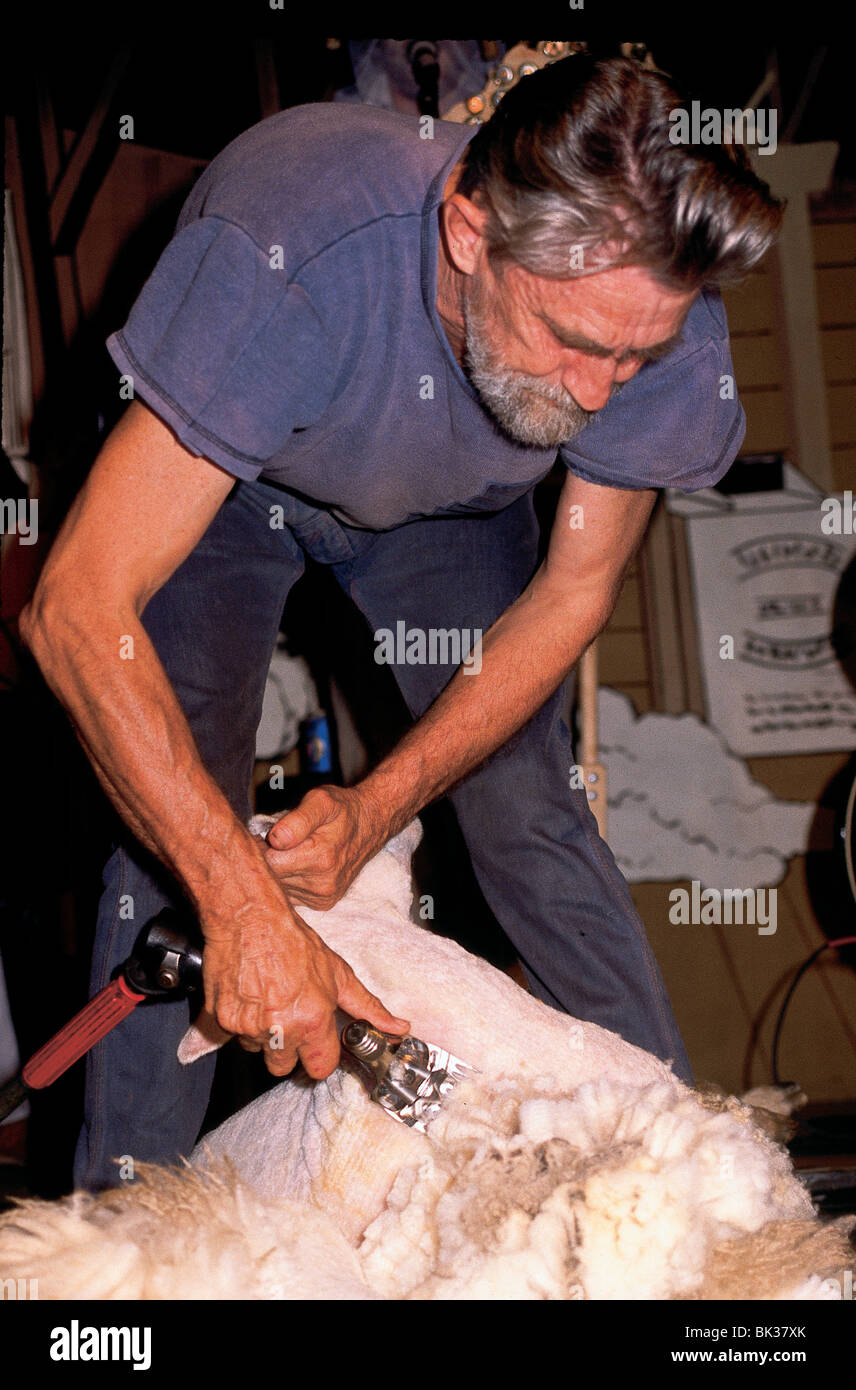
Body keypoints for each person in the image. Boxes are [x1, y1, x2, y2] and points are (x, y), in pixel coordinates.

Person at [21, 55, 781, 1190]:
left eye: (637, 355)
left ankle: (693, 1184)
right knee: (171, 848)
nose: (595, 392)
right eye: (570, 338)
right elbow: (73, 608)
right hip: (224, 479)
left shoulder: (649, 321)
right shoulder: (296, 242)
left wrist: (378, 807)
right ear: (469, 231)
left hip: (441, 512)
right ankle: (128, 1235)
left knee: (531, 806)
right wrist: (241, 905)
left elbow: (571, 598)